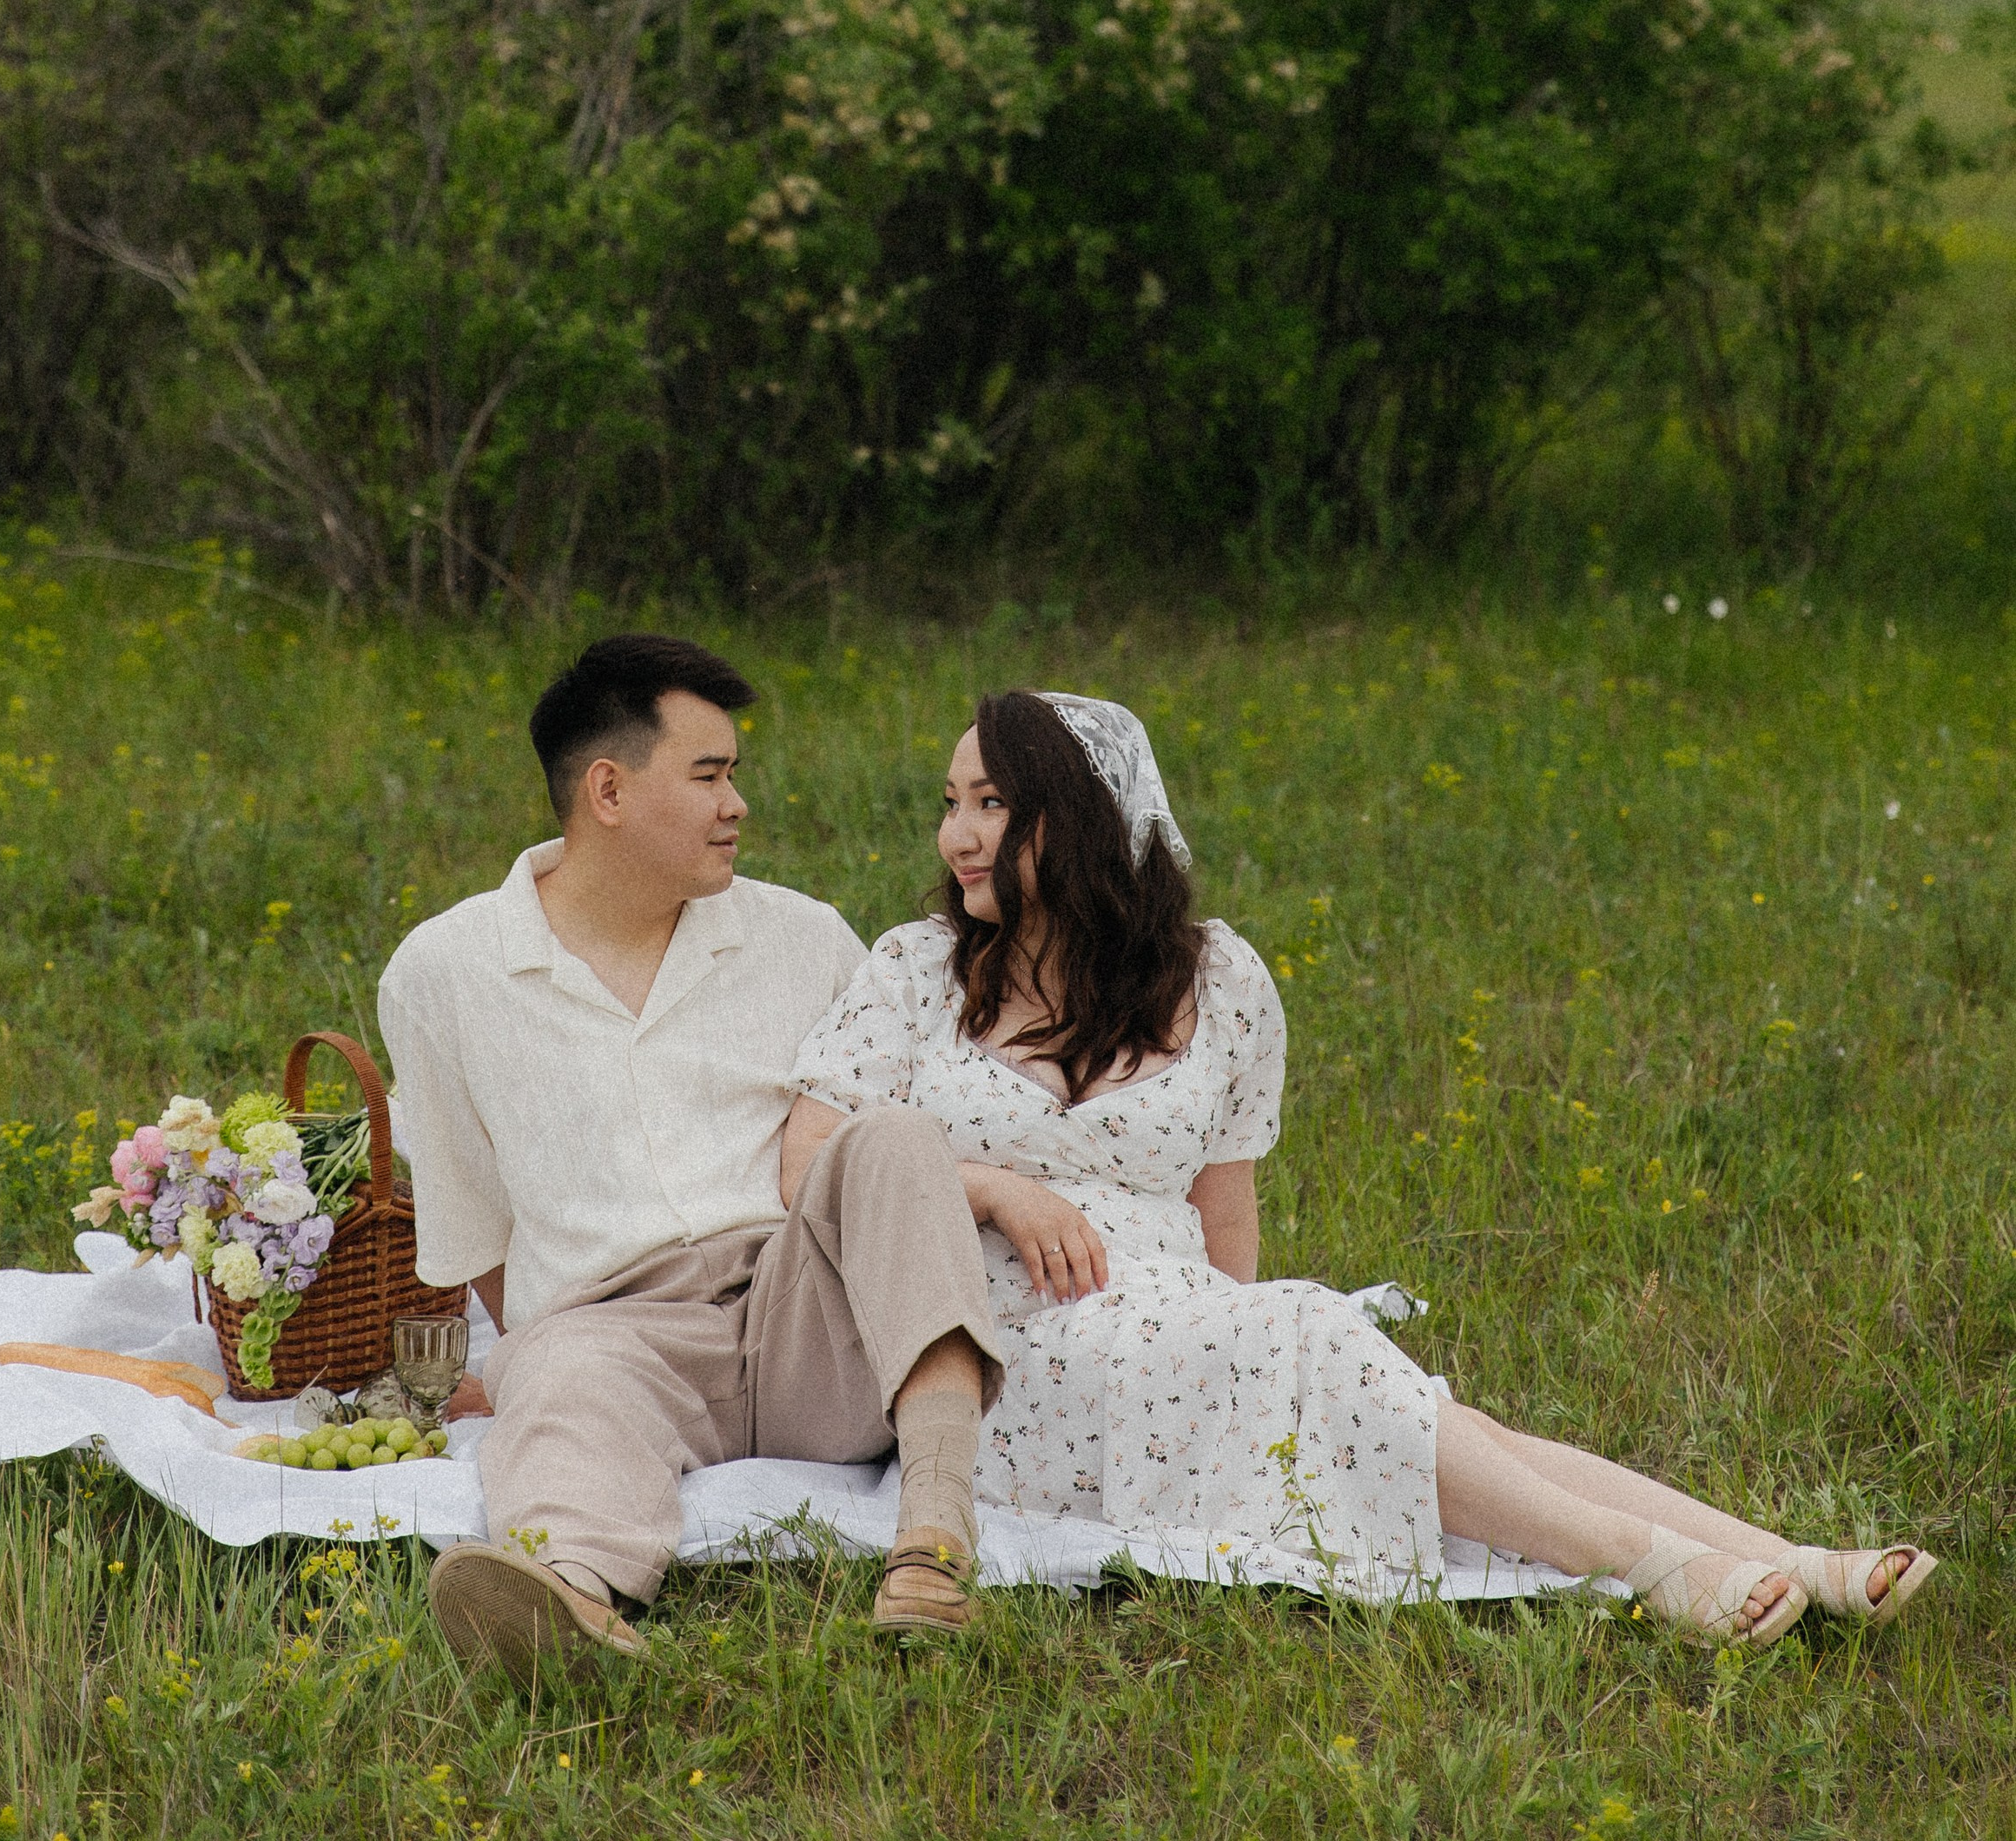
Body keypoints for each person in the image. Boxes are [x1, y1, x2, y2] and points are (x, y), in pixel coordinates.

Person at [787, 688, 1936, 1643]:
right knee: (1321, 1355)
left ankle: (1785, 1558)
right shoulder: (918, 969)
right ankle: (1647, 1565)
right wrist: (991, 1186)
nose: (957, 835)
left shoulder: (1219, 979)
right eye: (950, 805)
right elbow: (807, 1163)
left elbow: (1224, 1220)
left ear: (1083, 818)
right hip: (1005, 1356)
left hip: (1178, 1325)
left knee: (1367, 1385)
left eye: (993, 803)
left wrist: (1237, 1369)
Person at [379, 632, 1005, 1685]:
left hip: (804, 1315)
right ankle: (572, 1599)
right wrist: (538, 1345)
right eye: (709, 774)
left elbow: (887, 1180)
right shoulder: (442, 972)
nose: (737, 804)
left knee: (891, 1137)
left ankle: (934, 1539)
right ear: (609, 790)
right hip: (615, 1331)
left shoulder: (805, 937)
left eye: (734, 775)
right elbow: (473, 1221)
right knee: (561, 1368)